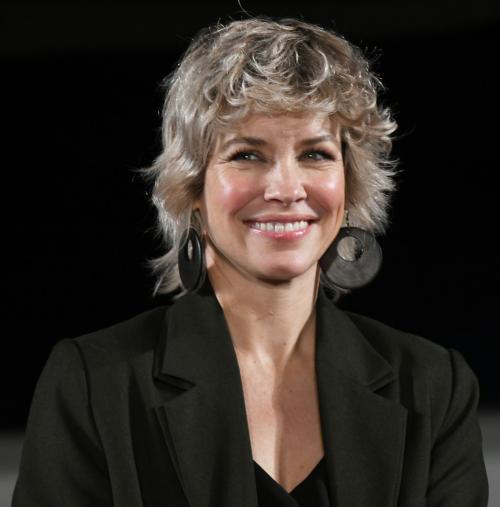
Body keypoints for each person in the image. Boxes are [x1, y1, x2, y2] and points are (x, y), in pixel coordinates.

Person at [12, 17, 488, 507]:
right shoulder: (94, 383)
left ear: (350, 187)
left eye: (315, 154)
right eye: (247, 155)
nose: (286, 189)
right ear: (192, 190)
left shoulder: (433, 386)